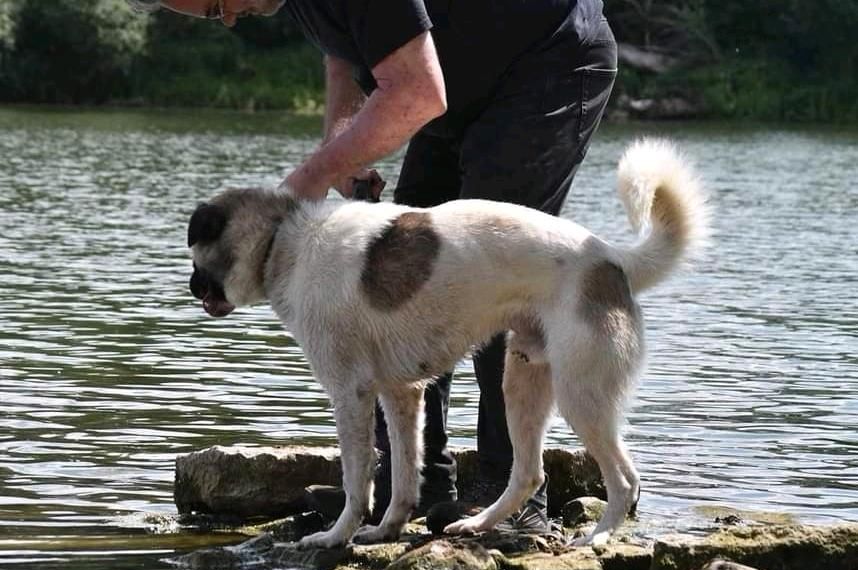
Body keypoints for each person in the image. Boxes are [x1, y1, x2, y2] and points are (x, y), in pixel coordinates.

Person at [129, 0, 618, 534]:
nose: (225, 20)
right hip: (453, 82)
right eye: (211, 17)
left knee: (492, 270)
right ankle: (409, 492)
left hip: (545, 61)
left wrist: (301, 187)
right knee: (410, 270)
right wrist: (342, 145)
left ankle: (513, 497)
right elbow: (345, 54)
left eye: (217, 4)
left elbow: (418, 92)